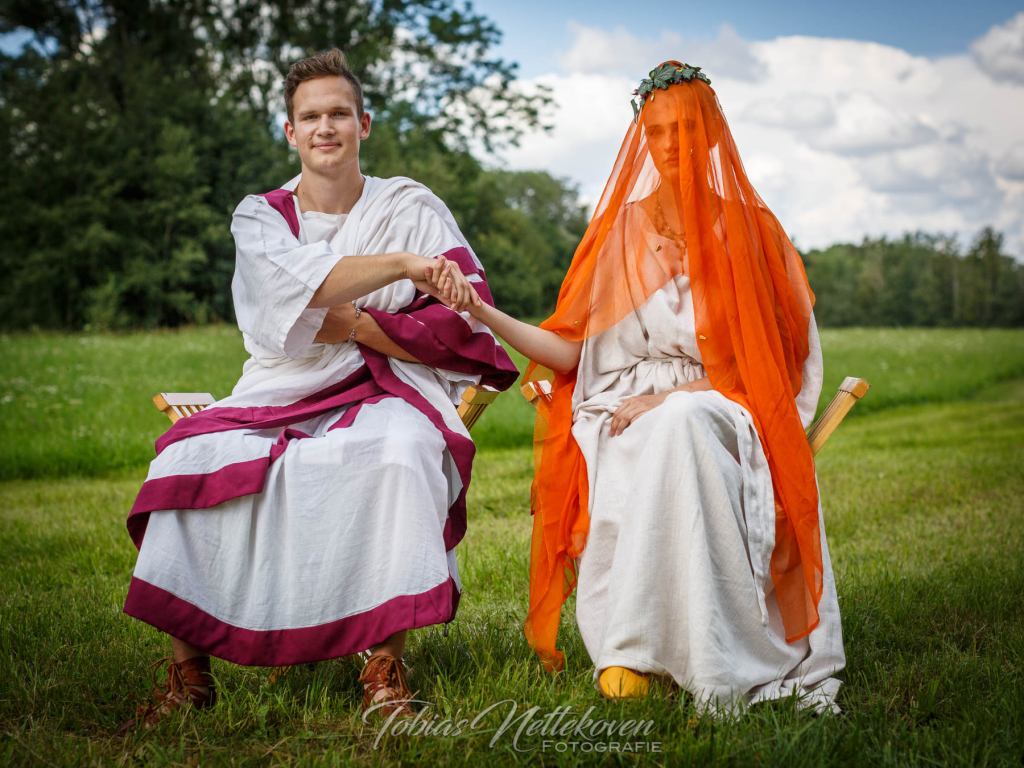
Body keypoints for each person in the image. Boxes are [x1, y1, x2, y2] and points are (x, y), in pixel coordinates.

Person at [120, 48, 517, 729]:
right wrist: (401, 268)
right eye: (310, 117)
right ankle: (189, 677)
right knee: (186, 457)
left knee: (400, 452)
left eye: (339, 113)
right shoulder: (262, 216)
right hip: (280, 386)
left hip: (388, 385)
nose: (325, 127)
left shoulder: (411, 206)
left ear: (364, 124)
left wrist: (357, 324)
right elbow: (303, 296)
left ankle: (384, 669)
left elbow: (461, 322)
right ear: (290, 131)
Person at [462, 62, 845, 714]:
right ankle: (635, 649)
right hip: (621, 402)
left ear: (713, 136)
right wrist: (483, 313)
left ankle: (709, 653)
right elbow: (572, 351)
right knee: (640, 432)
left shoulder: (753, 231)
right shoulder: (621, 234)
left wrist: (674, 396)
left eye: (685, 130)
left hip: (729, 400)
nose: (670, 144)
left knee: (679, 425)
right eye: (657, 131)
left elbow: (779, 362)